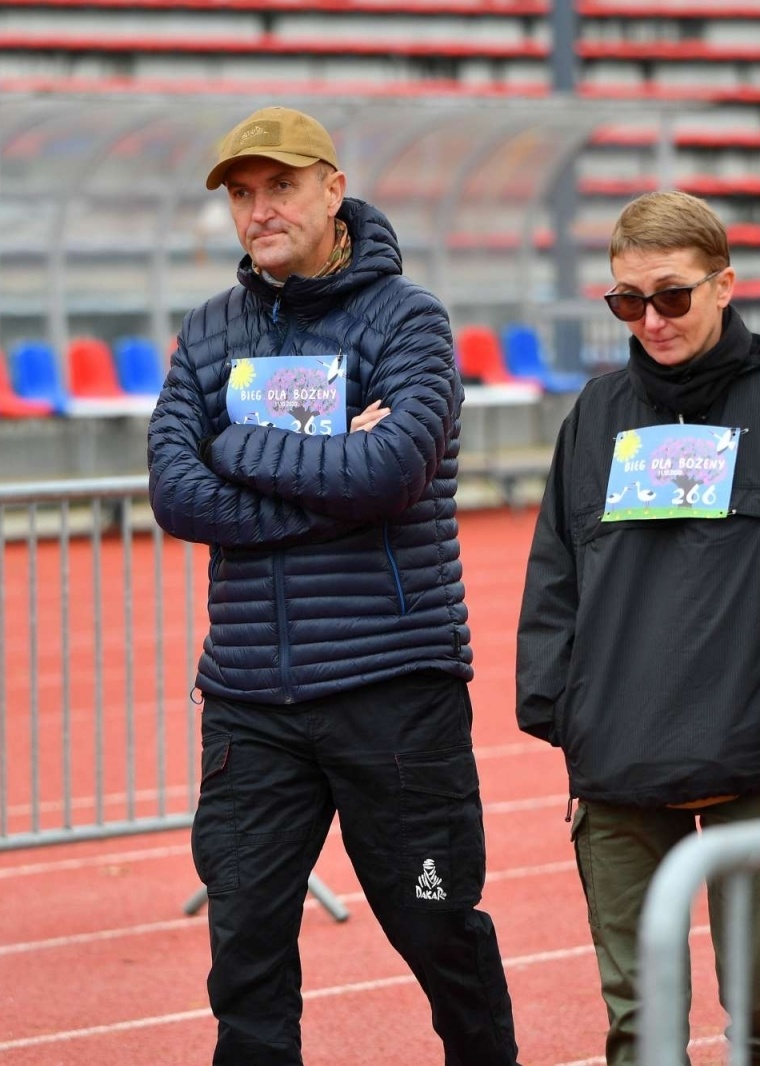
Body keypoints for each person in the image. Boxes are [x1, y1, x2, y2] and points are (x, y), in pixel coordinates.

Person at [148, 105, 520, 1064]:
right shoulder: (210, 329)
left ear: (333, 190)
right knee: (245, 958)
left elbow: (390, 472)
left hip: (391, 691)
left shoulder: (410, 320)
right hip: (250, 704)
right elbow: (176, 492)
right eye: (243, 194)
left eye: (281, 187)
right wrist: (327, 488)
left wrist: (236, 445)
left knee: (436, 922)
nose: (260, 210)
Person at [516, 190, 760, 1064]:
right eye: (627, 301)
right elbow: (554, 580)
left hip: (758, 754)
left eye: (673, 296)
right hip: (618, 762)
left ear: (724, 285)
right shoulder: (595, 415)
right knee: (640, 1029)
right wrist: (564, 710)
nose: (652, 320)